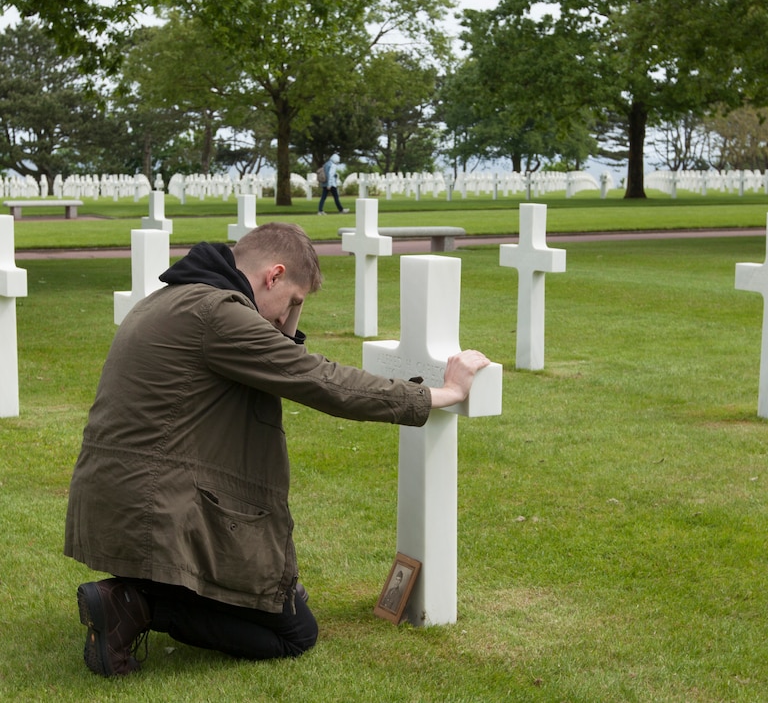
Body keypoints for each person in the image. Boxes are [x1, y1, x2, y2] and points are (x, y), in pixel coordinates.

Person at [64, 222, 491, 677]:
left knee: (276, 595)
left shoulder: (174, 296)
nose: (287, 317)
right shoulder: (219, 315)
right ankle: (137, 604)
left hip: (123, 500)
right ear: (273, 275)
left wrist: (287, 313)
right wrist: (436, 395)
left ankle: (139, 591)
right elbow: (319, 380)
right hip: (157, 506)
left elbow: (280, 352)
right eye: (293, 302)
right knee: (294, 634)